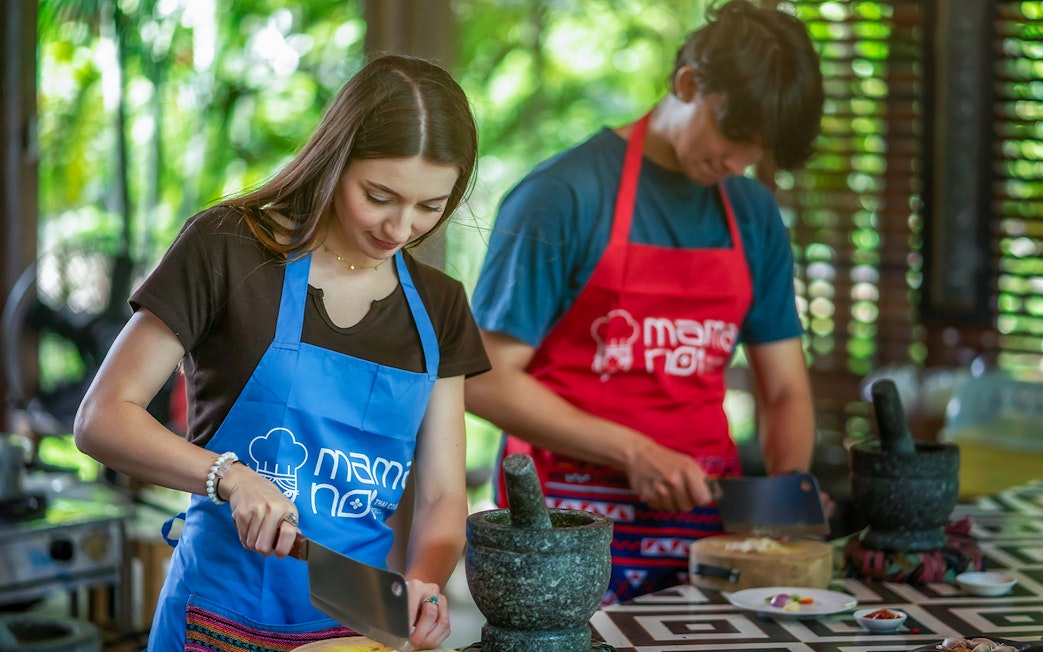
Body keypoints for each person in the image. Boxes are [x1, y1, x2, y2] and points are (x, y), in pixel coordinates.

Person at [74, 54, 489, 651]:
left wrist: (424, 582)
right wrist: (228, 475)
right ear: (335, 157)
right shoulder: (229, 249)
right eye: (379, 196)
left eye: (430, 207)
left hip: (358, 629)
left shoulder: (440, 305)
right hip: (214, 621)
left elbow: (446, 495)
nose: (401, 228)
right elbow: (101, 418)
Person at [464, 0, 825, 604]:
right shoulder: (562, 196)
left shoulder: (752, 214)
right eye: (734, 137)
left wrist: (782, 510)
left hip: (704, 532)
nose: (738, 164)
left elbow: (786, 390)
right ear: (688, 83)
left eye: (756, 152)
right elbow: (482, 378)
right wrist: (634, 451)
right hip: (564, 532)